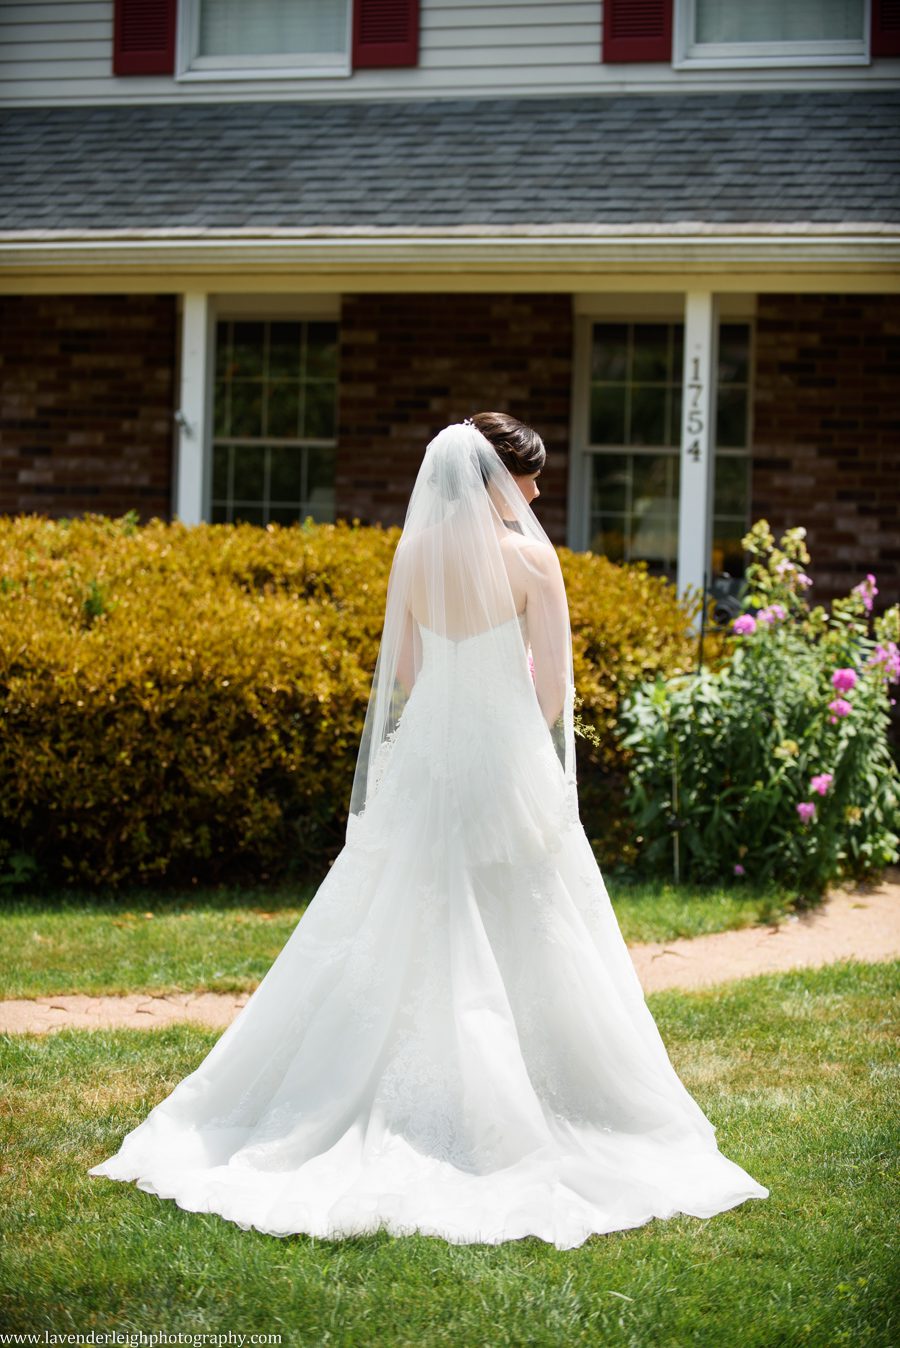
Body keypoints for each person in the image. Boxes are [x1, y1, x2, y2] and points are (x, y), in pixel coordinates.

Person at [88, 414, 768, 1249]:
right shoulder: (530, 559)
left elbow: (404, 673)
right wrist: (512, 725)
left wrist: (454, 700)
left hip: (430, 753)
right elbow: (554, 692)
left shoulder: (412, 555)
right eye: (531, 478)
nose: (538, 492)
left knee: (404, 914)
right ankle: (523, 1096)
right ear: (497, 479)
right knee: (527, 920)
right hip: (502, 753)